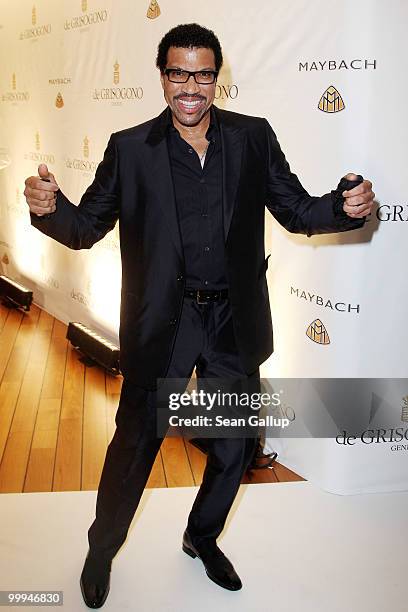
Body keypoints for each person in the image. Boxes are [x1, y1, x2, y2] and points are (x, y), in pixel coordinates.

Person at [24, 23, 374, 609]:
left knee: (235, 444)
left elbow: (293, 208)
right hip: (164, 321)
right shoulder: (130, 148)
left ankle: (200, 537)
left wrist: (343, 207)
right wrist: (48, 210)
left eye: (203, 73)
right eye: (179, 72)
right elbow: (85, 228)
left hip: (232, 322)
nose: (191, 86)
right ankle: (101, 549)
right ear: (162, 77)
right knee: (135, 445)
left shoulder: (252, 138)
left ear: (217, 78)